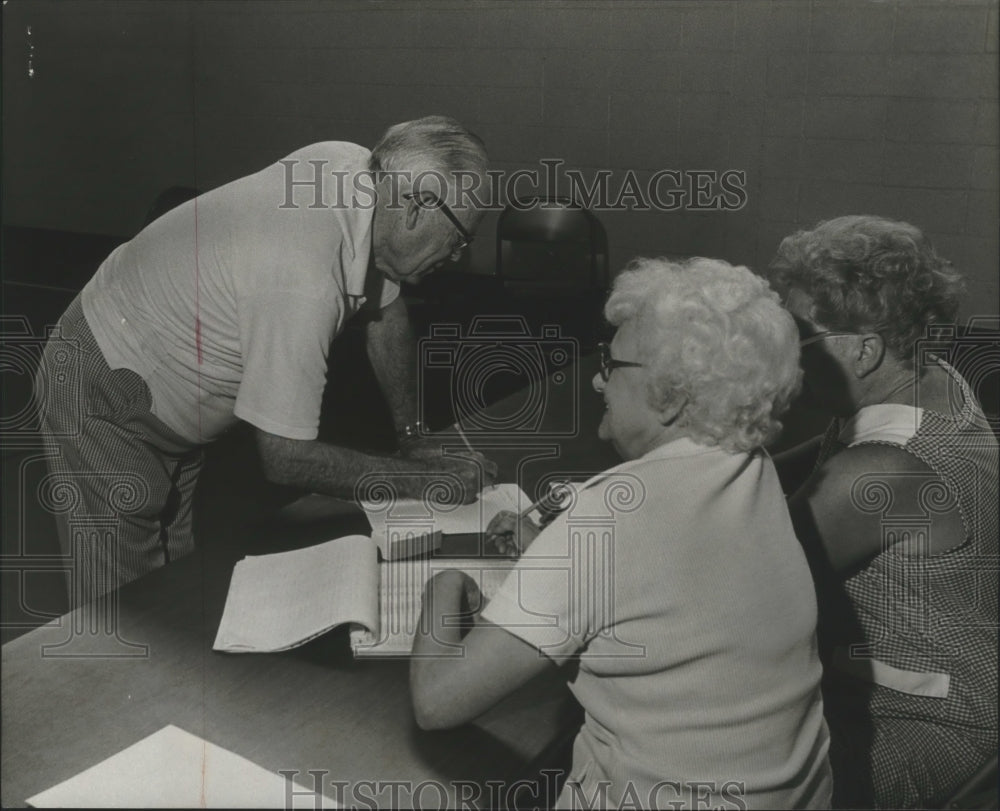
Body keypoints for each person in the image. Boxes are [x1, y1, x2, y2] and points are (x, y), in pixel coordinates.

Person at [410, 258, 833, 809]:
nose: (596, 377)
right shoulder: (751, 466)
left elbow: (437, 703)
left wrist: (443, 585)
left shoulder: (604, 521)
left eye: (611, 362)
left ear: (672, 395)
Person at [35, 116, 497, 608]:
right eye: (460, 239)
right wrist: (426, 481)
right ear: (417, 206)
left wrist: (413, 440)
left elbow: (388, 311)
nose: (456, 256)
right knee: (129, 614)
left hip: (163, 392)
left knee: (173, 589)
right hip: (103, 391)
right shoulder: (302, 275)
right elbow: (284, 457)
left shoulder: (355, 166)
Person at [768, 215, 999, 808]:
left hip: (921, 728)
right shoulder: (931, 384)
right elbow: (787, 469)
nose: (782, 357)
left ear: (865, 349)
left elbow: (736, 585)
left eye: (796, 337)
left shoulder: (880, 472)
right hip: (954, 701)